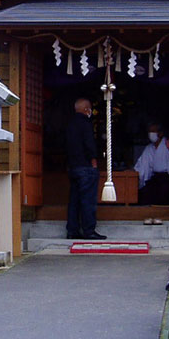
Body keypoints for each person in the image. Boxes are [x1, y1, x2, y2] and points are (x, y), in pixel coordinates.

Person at [64, 97, 104, 240]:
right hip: (85, 167)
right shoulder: (85, 123)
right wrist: (93, 159)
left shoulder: (69, 123)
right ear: (87, 109)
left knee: (74, 200)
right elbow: (89, 144)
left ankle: (72, 230)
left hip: (73, 166)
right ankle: (89, 230)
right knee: (88, 200)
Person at [134, 122, 169, 222]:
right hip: (155, 177)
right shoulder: (149, 148)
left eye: (153, 131)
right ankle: (149, 216)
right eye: (150, 131)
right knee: (146, 191)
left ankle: (161, 216)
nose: (151, 134)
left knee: (164, 191)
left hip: (167, 177)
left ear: (160, 133)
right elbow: (142, 166)